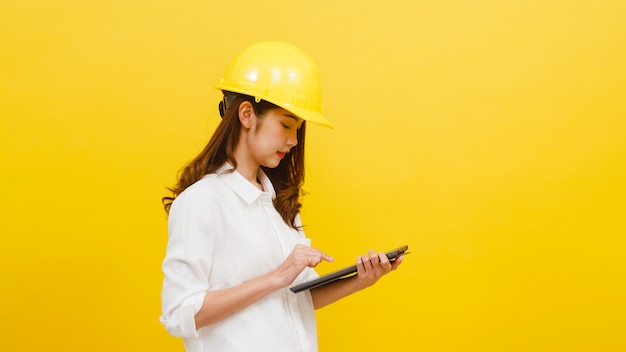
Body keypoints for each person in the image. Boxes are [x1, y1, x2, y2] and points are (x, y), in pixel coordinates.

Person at [159, 41, 404, 352]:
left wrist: (361, 279)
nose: (292, 141)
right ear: (247, 114)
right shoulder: (200, 203)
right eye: (286, 125)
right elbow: (180, 314)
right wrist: (277, 277)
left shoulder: (279, 203)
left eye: (298, 129)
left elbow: (295, 299)